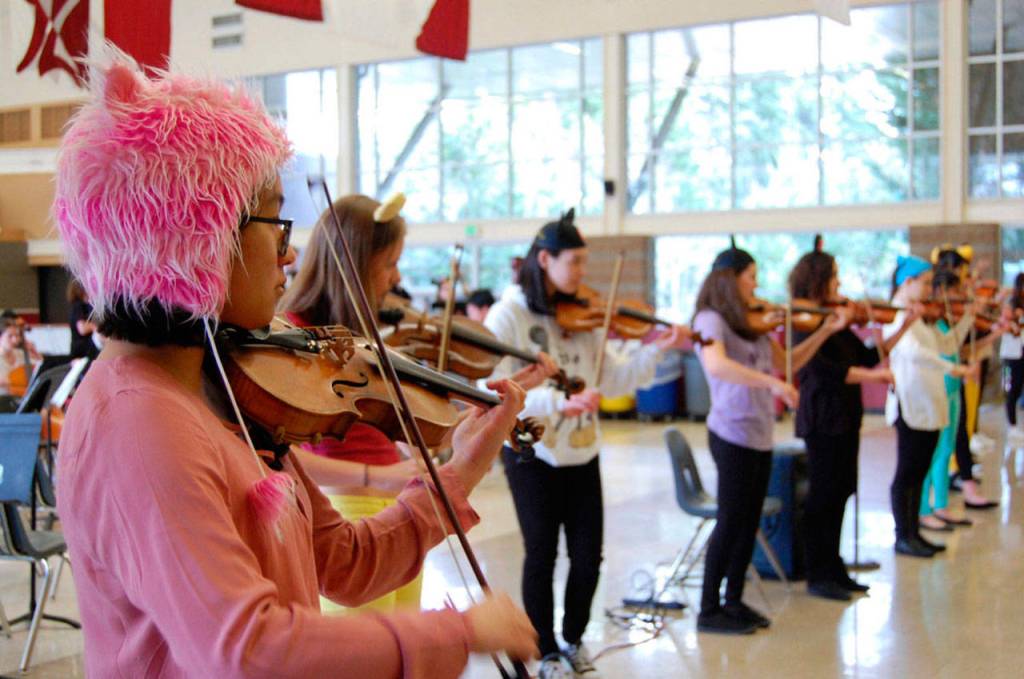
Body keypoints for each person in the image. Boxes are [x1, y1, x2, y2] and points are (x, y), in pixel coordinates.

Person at [52, 52, 537, 678]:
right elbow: (248, 652)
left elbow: (346, 562)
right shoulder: (139, 422)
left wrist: (463, 467)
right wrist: (458, 633)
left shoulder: (221, 392)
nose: (288, 256)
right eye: (274, 224)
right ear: (198, 235)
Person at [278, 192, 557, 614]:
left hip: (399, 507)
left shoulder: (364, 336)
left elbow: (412, 428)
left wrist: (498, 399)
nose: (396, 278)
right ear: (354, 264)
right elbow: (283, 456)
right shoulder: (294, 335)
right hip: (343, 515)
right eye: (389, 263)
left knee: (402, 646)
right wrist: (378, 476)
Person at [484, 208, 692, 678]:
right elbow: (491, 386)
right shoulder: (509, 314)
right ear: (545, 260)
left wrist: (656, 348)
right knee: (541, 553)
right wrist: (559, 402)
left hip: (582, 450)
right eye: (574, 261)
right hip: (531, 450)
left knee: (588, 556)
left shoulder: (585, 312)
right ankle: (544, 648)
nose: (582, 272)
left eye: (584, 261)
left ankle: (574, 638)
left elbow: (613, 375)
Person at [691, 242, 844, 634]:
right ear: (730, 280)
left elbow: (787, 362)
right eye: (751, 278)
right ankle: (708, 609)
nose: (756, 286)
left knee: (749, 523)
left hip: (759, 435)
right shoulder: (710, 320)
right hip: (731, 433)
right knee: (730, 522)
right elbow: (717, 365)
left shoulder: (751, 323)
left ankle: (734, 600)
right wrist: (771, 384)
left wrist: (825, 330)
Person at [788, 243, 909, 601]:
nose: (839, 284)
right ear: (818, 280)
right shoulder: (804, 321)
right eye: (834, 277)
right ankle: (818, 573)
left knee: (841, 490)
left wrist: (903, 327)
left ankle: (835, 567)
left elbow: (867, 357)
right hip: (821, 417)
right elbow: (824, 371)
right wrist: (874, 378)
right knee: (823, 495)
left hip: (845, 416)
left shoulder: (836, 320)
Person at [883, 256, 977, 558]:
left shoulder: (919, 315)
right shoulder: (896, 316)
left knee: (919, 469)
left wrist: (967, 318)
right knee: (908, 472)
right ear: (907, 282)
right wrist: (952, 369)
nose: (928, 289)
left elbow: (946, 345)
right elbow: (913, 351)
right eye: (924, 283)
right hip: (909, 403)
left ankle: (914, 532)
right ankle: (903, 535)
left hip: (928, 401)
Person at [1001, 273, 1024, 445]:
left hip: (1022, 350)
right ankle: (1012, 426)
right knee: (1013, 389)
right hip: (1013, 353)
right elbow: (1007, 323)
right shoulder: (1011, 302)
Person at [0, 312, 42, 401]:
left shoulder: (20, 354)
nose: (15, 340)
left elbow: (40, 367)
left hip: (20, 399)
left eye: (17, 335)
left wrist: (34, 352)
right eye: (10, 336)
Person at [67, 278, 100, 360]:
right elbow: (82, 329)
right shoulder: (78, 306)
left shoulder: (84, 306)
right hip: (82, 352)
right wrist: (95, 327)